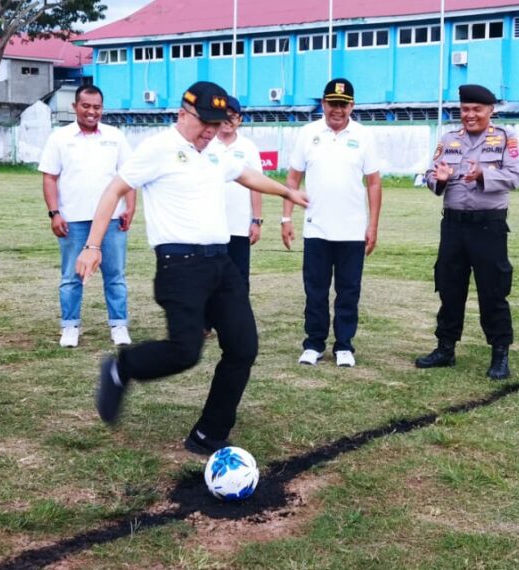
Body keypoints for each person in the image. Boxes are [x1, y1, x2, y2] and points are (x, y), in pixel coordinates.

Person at [76, 81, 309, 455]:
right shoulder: (158, 148)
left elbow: (247, 174)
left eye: (217, 125)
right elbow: (114, 190)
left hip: (221, 263)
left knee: (243, 347)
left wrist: (286, 192)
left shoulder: (215, 151)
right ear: (183, 114)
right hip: (179, 265)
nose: (210, 132)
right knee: (185, 350)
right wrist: (91, 246)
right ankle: (122, 368)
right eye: (205, 123)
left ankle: (209, 434)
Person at [414, 84, 519, 380]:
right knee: (449, 288)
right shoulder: (449, 139)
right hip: (453, 225)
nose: (469, 115)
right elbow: (430, 175)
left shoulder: (504, 138)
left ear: (490, 111)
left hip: (489, 225)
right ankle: (445, 348)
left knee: (493, 291)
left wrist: (484, 174)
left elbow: (516, 177)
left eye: (477, 109)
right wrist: (440, 179)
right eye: (465, 109)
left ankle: (500, 353)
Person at [280, 78, 382, 368]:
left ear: (351, 106)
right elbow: (292, 179)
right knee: (315, 290)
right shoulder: (308, 133)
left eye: (343, 104)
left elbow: (374, 183)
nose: (337, 110)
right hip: (317, 227)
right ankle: (313, 344)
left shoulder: (363, 136)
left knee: (349, 290)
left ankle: (344, 346)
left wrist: (372, 225)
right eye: (332, 104)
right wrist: (286, 217)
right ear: (323, 104)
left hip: (352, 229)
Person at [38, 85, 135, 348]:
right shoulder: (60, 137)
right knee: (72, 276)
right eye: (86, 106)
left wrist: (130, 207)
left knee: (115, 275)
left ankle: (119, 325)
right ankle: (70, 327)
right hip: (73, 220)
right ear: (75, 107)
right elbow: (50, 176)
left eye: (97, 107)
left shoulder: (115, 136)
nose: (92, 112)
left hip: (112, 221)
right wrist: (54, 213)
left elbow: (129, 176)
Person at [203, 95, 262, 332]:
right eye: (223, 116)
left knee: (238, 277)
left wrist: (256, 220)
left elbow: (256, 184)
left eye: (233, 117)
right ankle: (205, 323)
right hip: (210, 224)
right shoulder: (206, 144)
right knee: (208, 276)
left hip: (238, 225)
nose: (228, 121)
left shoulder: (248, 147)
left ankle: (236, 322)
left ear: (240, 119)